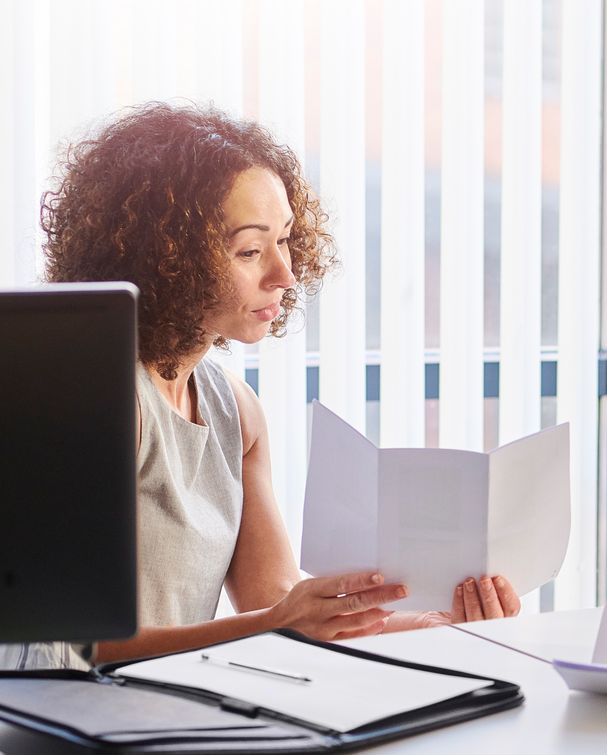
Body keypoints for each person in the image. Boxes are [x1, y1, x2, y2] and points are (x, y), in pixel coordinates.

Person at [10, 102, 519, 670]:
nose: (285, 274)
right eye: (251, 251)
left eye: (285, 241)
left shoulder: (237, 412)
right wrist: (274, 625)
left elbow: (275, 601)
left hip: (171, 709)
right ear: (168, 259)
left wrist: (427, 627)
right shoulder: (100, 398)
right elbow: (73, 647)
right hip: (70, 721)